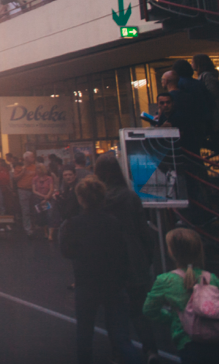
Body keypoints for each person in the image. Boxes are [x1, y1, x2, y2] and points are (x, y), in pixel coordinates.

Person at [59, 177, 140, 364]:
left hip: (86, 283)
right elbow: (123, 251)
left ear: (81, 199)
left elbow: (66, 251)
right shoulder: (113, 221)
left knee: (84, 335)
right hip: (114, 283)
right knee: (121, 336)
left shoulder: (73, 224)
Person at [94, 155, 159, 361]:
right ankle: (151, 350)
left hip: (109, 260)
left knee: (113, 312)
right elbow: (144, 231)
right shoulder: (131, 197)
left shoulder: (99, 200)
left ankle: (119, 352)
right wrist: (148, 257)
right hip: (135, 257)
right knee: (139, 311)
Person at [144, 227, 219, 363]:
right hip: (214, 338)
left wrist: (173, 319)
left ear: (172, 252)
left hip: (186, 341)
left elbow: (149, 310)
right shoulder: (211, 278)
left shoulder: (165, 280)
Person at [14, 150, 37, 236]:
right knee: (25, 210)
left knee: (34, 209)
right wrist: (23, 172)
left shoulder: (34, 167)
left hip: (33, 190)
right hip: (23, 190)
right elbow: (15, 179)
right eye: (32, 157)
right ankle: (28, 229)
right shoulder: (19, 167)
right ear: (26, 158)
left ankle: (34, 226)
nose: (33, 158)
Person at [33, 161, 56, 240]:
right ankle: (45, 232)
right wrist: (43, 197)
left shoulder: (49, 178)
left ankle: (51, 234)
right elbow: (34, 190)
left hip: (48, 199)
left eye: (39, 168)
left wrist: (47, 197)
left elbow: (51, 189)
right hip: (39, 199)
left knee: (50, 215)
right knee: (41, 216)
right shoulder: (35, 179)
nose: (38, 170)